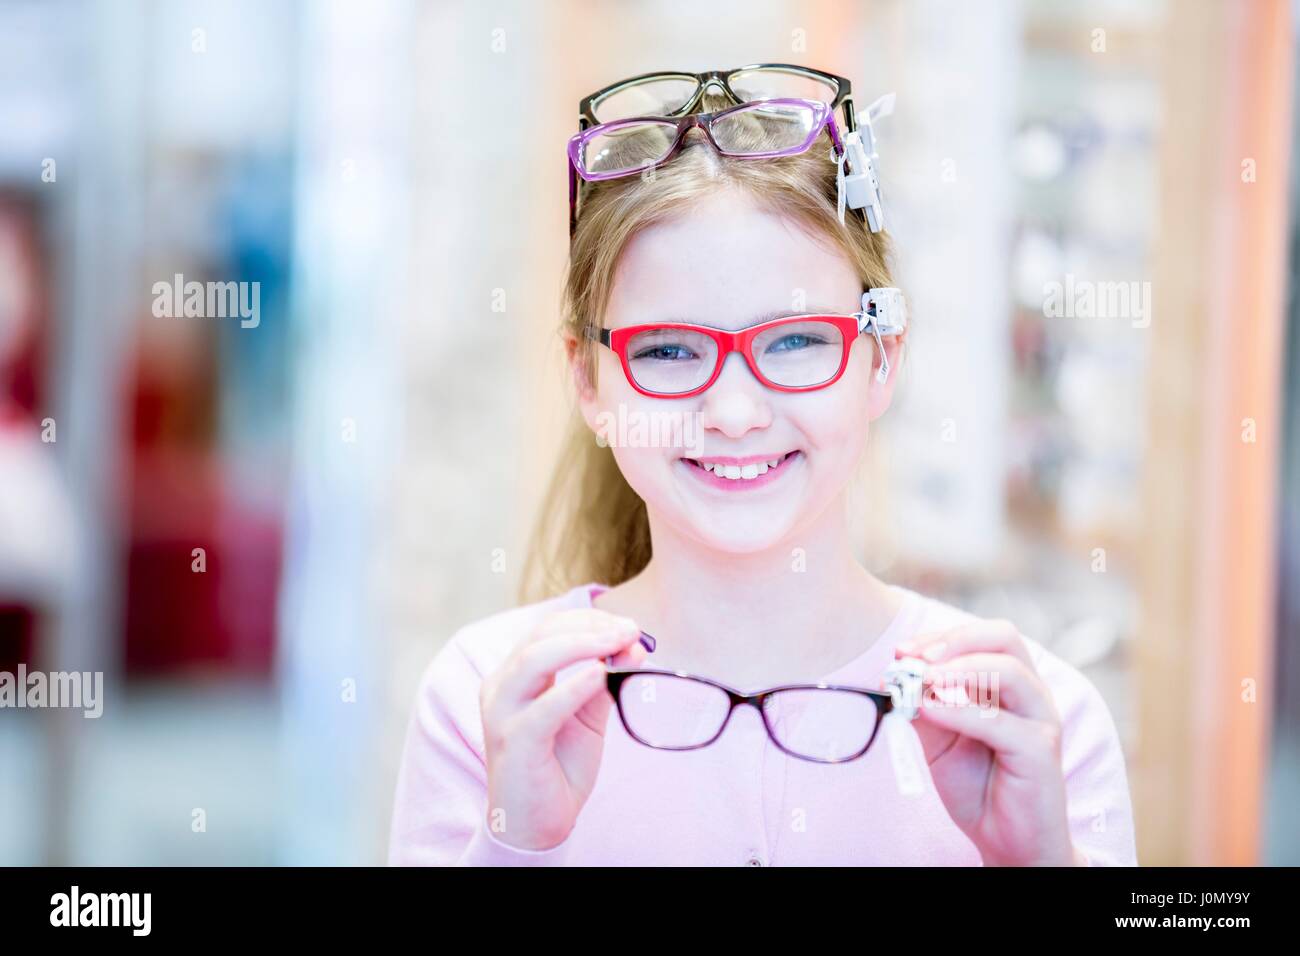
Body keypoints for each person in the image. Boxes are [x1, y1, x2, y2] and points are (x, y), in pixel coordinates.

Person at [388, 85, 1137, 866]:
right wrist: (515, 845)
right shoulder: (491, 703)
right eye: (668, 350)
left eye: (795, 342)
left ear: (881, 359)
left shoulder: (1031, 726)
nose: (736, 412)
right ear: (588, 383)